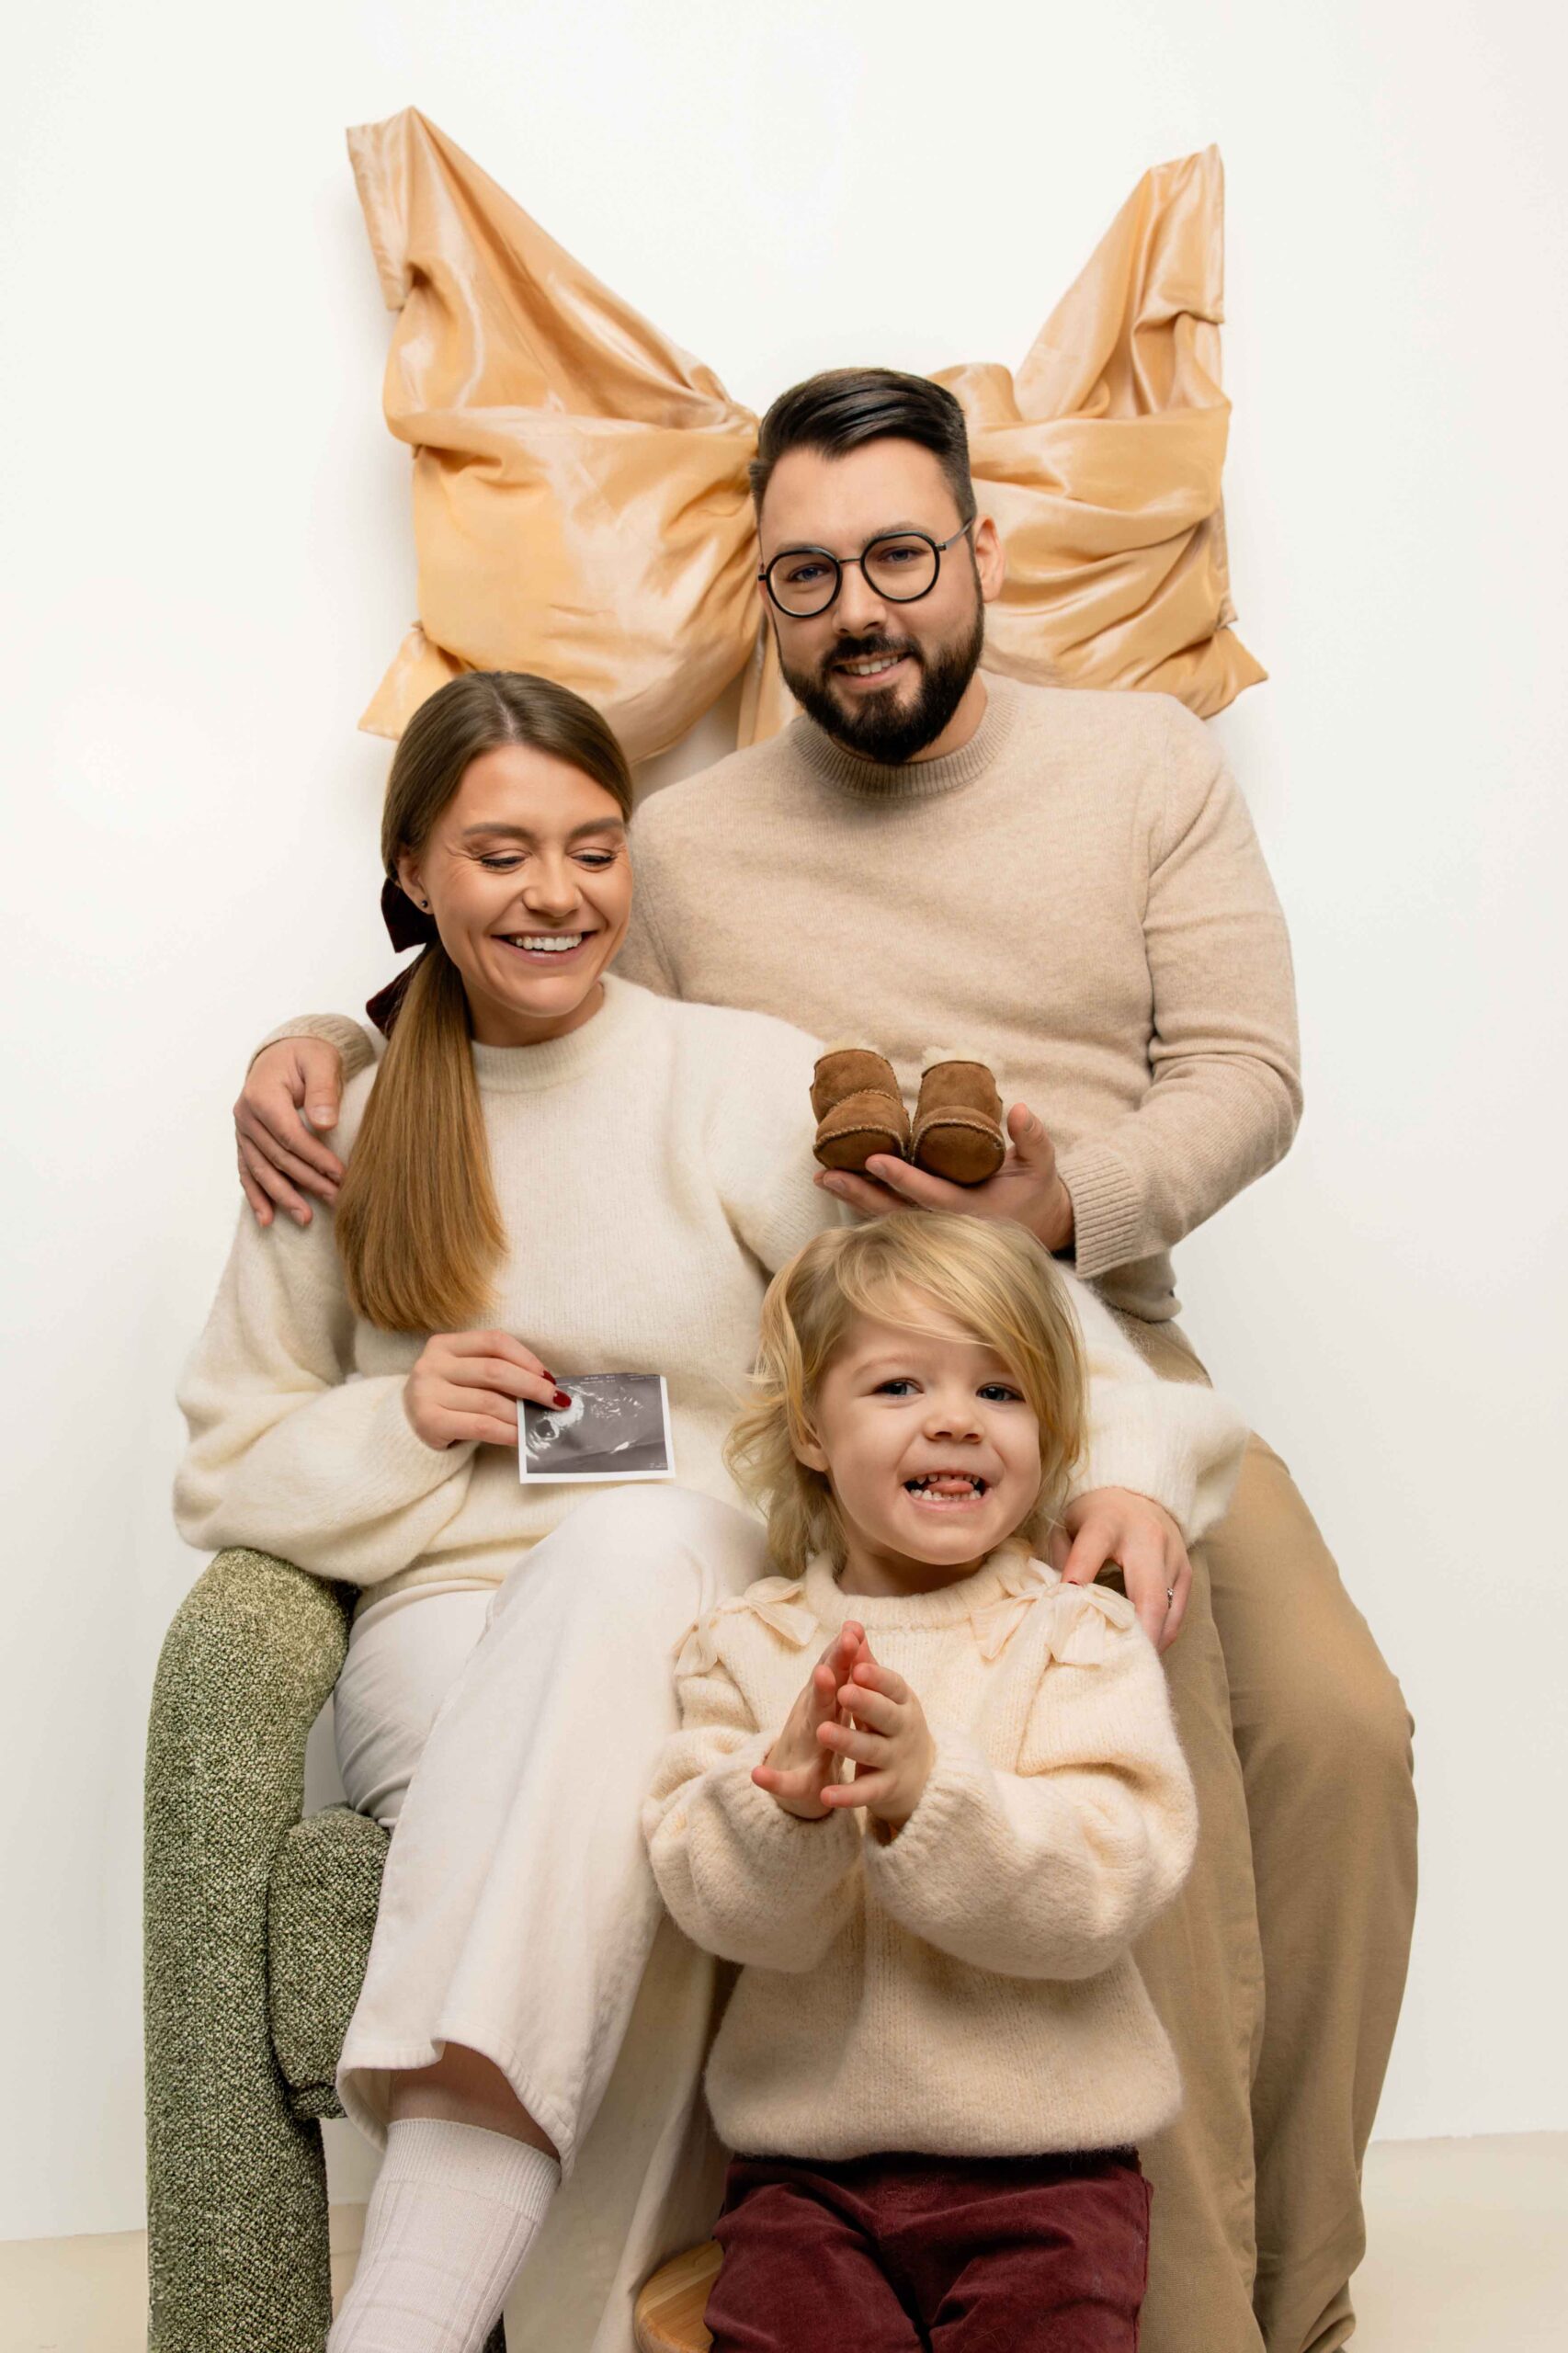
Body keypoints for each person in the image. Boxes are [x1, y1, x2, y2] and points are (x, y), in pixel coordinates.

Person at [241, 369, 1416, 2353]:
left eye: (894, 554)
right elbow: (521, 989)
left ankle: (1284, 2290)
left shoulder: (1141, 766)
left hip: (1097, 1334)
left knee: (1333, 1731)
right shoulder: (683, 840)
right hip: (833, 1382)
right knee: (1151, 1697)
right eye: (805, 573)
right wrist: (326, 1044)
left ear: (977, 551)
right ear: (763, 597)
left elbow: (1248, 1071)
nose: (858, 605)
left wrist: (1069, 1208)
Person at [178, 665, 1239, 2353]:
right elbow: (225, 1457)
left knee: (634, 1576)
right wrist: (396, 1420)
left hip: (707, 1592)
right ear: (414, 876)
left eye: (595, 850)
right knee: (618, 1776)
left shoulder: (741, 1077)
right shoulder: (348, 1123)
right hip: (449, 1624)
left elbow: (973, 1310)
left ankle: (413, 2313)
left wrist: (1128, 1462)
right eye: (501, 853)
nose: (555, 894)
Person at [646, 1211, 1244, 2353]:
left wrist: (932, 1794)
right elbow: (710, 1899)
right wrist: (789, 1802)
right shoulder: (742, 1643)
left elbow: (1106, 1881)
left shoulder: (1077, 1637)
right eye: (897, 1386)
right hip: (804, 2181)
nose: (956, 1420)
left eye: (1002, 1391)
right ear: (812, 1430)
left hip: (1050, 2179)